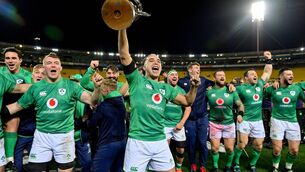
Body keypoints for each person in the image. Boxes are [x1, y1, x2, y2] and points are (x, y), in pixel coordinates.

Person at [3, 53, 102, 172]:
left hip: (64, 137)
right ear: (44, 68)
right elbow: (16, 106)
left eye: (56, 63)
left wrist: (97, 88)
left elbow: (92, 100)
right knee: (34, 169)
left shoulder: (71, 86)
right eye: (49, 63)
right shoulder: (35, 88)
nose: (53, 65)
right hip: (41, 136)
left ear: (60, 68)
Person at [118, 29, 200, 172]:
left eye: (158, 61)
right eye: (151, 60)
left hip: (160, 141)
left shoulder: (166, 88)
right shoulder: (136, 80)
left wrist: (193, 87)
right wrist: (122, 26)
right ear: (144, 67)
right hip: (138, 142)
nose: (156, 62)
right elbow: (124, 55)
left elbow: (187, 101)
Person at [233, 51, 273, 172]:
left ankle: (252, 164)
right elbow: (235, 100)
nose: (255, 75)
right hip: (244, 120)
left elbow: (267, 72)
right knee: (242, 143)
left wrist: (269, 59)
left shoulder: (260, 84)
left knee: (259, 145)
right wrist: (239, 114)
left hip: (258, 121)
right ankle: (236, 163)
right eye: (252, 74)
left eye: (255, 74)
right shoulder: (240, 88)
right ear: (246, 77)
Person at [265, 68, 305, 172]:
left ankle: (288, 168)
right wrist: (267, 86)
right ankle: (275, 167)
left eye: (292, 74)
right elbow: (262, 95)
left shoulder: (297, 89)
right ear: (281, 77)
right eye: (288, 74)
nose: (291, 76)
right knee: (277, 149)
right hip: (277, 120)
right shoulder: (272, 89)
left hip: (292, 121)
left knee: (294, 150)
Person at [83, 78, 127, 172]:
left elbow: (92, 124)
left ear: (106, 90)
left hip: (108, 143)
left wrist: (91, 115)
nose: (101, 92)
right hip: (122, 143)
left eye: (102, 89)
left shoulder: (103, 106)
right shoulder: (121, 102)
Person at [177, 62, 214, 172]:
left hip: (202, 117)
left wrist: (229, 85)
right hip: (189, 119)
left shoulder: (204, 80)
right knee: (191, 143)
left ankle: (202, 165)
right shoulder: (182, 81)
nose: (198, 69)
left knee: (203, 143)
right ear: (189, 70)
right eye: (196, 68)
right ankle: (193, 164)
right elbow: (171, 86)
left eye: (199, 68)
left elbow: (217, 84)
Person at [0, 47, 32, 170]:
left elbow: (32, 89)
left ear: (20, 60)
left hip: (21, 110)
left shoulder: (27, 75)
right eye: (7, 58)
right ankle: (9, 160)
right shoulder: (1, 73)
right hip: (4, 110)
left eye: (14, 58)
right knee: (13, 120)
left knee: (15, 120)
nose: (10, 61)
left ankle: (9, 159)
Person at [207, 70, 244, 172]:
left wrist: (240, 114)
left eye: (223, 75)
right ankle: (215, 167)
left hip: (229, 124)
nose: (222, 77)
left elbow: (240, 104)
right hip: (214, 123)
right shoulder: (209, 91)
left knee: (229, 149)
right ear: (214, 78)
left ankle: (228, 166)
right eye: (219, 75)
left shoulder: (231, 90)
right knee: (214, 148)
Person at [14, 64, 45, 172]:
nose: (40, 75)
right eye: (37, 72)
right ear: (32, 74)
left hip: (37, 137)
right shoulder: (21, 91)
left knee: (38, 166)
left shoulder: (48, 92)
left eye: (43, 73)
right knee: (17, 166)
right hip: (19, 135)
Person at [163, 69, 191, 172]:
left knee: (181, 149)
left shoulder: (182, 91)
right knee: (164, 149)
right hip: (164, 125)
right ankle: (166, 167)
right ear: (167, 78)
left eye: (176, 75)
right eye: (172, 75)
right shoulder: (162, 88)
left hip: (177, 125)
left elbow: (188, 108)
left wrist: (181, 123)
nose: (175, 76)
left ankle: (178, 167)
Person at [70, 74, 92, 172]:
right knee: (66, 165)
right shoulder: (65, 98)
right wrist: (80, 121)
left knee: (87, 163)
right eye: (73, 82)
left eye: (77, 82)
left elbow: (90, 120)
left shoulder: (87, 99)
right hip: (67, 137)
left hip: (82, 137)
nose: (74, 84)